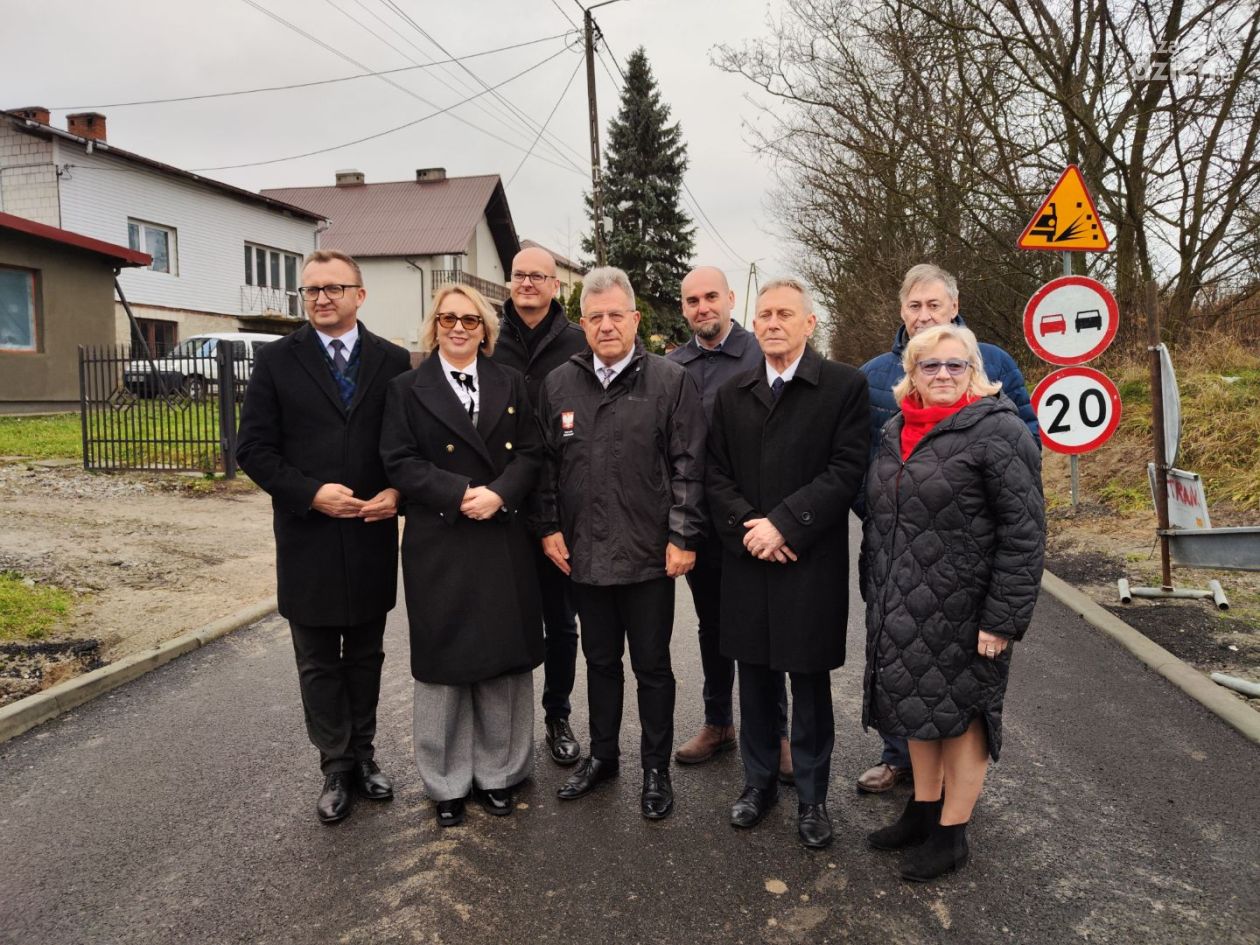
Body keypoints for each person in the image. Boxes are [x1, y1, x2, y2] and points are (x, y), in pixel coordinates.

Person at [861, 323, 1044, 881]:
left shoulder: (1000, 431)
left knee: (963, 717)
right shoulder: (896, 430)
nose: (942, 375)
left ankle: (952, 832)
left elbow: (1025, 533)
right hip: (903, 602)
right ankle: (922, 809)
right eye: (929, 366)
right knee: (917, 707)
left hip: (967, 610)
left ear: (974, 372)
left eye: (954, 365)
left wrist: (1002, 618)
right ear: (911, 374)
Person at [237, 249, 411, 824]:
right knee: (316, 658)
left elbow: (409, 445)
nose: (320, 298)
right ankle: (335, 765)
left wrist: (397, 493)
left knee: (365, 653)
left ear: (360, 295)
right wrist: (311, 493)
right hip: (308, 535)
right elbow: (254, 449)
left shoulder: (391, 362)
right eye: (311, 290)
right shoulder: (277, 361)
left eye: (333, 288)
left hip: (369, 531)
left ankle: (364, 755)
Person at [534, 266, 706, 820]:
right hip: (584, 555)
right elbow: (543, 469)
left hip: (649, 555)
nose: (606, 325)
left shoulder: (669, 381)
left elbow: (688, 465)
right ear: (583, 323)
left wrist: (682, 535)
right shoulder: (559, 384)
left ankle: (655, 767)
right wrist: (549, 527)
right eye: (596, 316)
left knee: (652, 666)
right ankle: (604, 757)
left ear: (635, 319)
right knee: (600, 661)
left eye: (616, 315)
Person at [706, 278, 869, 849]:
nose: (772, 322)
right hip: (749, 557)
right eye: (765, 314)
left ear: (809, 323)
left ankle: (813, 797)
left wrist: (785, 523)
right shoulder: (732, 392)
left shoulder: (843, 387)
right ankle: (757, 786)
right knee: (753, 679)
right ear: (755, 324)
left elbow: (848, 470)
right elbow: (715, 476)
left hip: (808, 559)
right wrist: (752, 530)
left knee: (809, 682)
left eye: (785, 314)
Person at [380, 284, 544, 828]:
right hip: (441, 539)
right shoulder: (407, 388)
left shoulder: (512, 382)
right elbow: (398, 461)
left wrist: (499, 493)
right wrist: (457, 493)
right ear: (434, 326)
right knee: (444, 663)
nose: (458, 328)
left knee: (501, 660)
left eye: (470, 321)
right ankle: (445, 781)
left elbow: (532, 452)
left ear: (485, 329)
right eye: (448, 319)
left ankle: (500, 773)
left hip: (501, 535)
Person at [667, 267, 791, 782]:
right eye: (692, 300)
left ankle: (777, 734)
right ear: (684, 308)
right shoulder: (673, 365)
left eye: (710, 297)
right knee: (713, 627)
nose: (702, 307)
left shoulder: (759, 352)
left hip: (754, 520)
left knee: (766, 628)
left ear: (730, 299)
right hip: (701, 519)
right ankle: (719, 723)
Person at [492, 246, 589, 768]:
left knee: (561, 620)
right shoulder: (490, 338)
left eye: (538, 276)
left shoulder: (577, 342)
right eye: (519, 275)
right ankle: (506, 728)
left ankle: (558, 714)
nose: (527, 283)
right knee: (504, 618)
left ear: (557, 286)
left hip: (560, 507)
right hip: (502, 503)